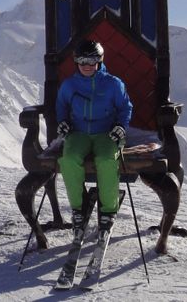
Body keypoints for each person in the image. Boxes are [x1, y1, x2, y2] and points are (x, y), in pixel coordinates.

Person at [55, 39, 132, 237]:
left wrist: (121, 127)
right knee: (69, 160)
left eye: (92, 61)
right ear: (76, 62)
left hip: (105, 133)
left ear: (99, 61)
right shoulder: (69, 85)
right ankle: (78, 210)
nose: (87, 66)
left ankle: (108, 211)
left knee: (106, 160)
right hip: (78, 132)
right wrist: (63, 122)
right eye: (82, 62)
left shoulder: (113, 84)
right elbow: (61, 106)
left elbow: (125, 107)